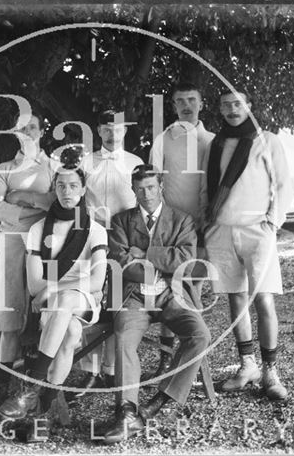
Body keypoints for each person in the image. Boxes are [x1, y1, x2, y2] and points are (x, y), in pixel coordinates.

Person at [103, 164, 211, 444]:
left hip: (172, 294)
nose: (146, 193)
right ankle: (126, 412)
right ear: (133, 189)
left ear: (161, 186)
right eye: (140, 188)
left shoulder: (182, 220)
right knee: (124, 338)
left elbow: (185, 262)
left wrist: (146, 252)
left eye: (151, 187)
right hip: (135, 295)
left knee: (200, 334)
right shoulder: (120, 221)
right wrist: (161, 264)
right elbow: (122, 263)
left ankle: (156, 404)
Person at [0, 161, 108, 420]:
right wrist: (51, 291)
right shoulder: (38, 230)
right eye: (60, 186)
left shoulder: (96, 230)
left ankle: (29, 388)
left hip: (85, 301)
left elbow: (96, 281)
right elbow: (36, 285)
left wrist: (54, 288)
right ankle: (42, 409)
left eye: (73, 186)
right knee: (71, 331)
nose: (67, 192)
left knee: (67, 299)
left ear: (82, 190)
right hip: (52, 305)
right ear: (54, 190)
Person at [204, 89, 292, 401]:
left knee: (263, 299)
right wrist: (209, 223)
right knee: (236, 298)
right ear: (219, 109)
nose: (232, 109)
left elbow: (282, 184)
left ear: (248, 107)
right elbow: (210, 187)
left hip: (258, 230)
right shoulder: (216, 143)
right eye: (225, 104)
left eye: (237, 104)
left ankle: (271, 370)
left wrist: (273, 221)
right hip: (222, 230)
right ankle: (248, 365)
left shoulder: (266, 140)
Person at [0, 111, 57, 410]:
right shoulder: (3, 169)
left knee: (46, 310)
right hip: (11, 242)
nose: (28, 132)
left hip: (45, 242)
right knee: (9, 316)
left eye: (33, 127)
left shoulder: (54, 167)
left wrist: (19, 197)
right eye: (22, 129)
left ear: (41, 131)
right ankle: (2, 389)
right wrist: (34, 205)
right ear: (15, 133)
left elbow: (55, 205)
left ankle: (38, 389)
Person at [72, 110, 143, 396]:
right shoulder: (86, 163)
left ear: (125, 131)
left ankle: (113, 369)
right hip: (92, 241)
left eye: (118, 129)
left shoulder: (135, 162)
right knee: (92, 299)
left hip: (124, 243)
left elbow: (142, 206)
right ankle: (90, 371)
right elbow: (78, 203)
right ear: (99, 131)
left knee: (118, 303)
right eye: (106, 129)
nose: (113, 134)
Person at [147, 81, 215, 381]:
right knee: (170, 289)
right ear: (173, 106)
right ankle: (165, 358)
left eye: (192, 99)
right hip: (170, 230)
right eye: (180, 101)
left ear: (201, 103)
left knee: (195, 289)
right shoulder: (163, 139)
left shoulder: (213, 141)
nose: (186, 105)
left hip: (203, 227)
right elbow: (153, 182)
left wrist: (207, 221)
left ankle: (194, 360)